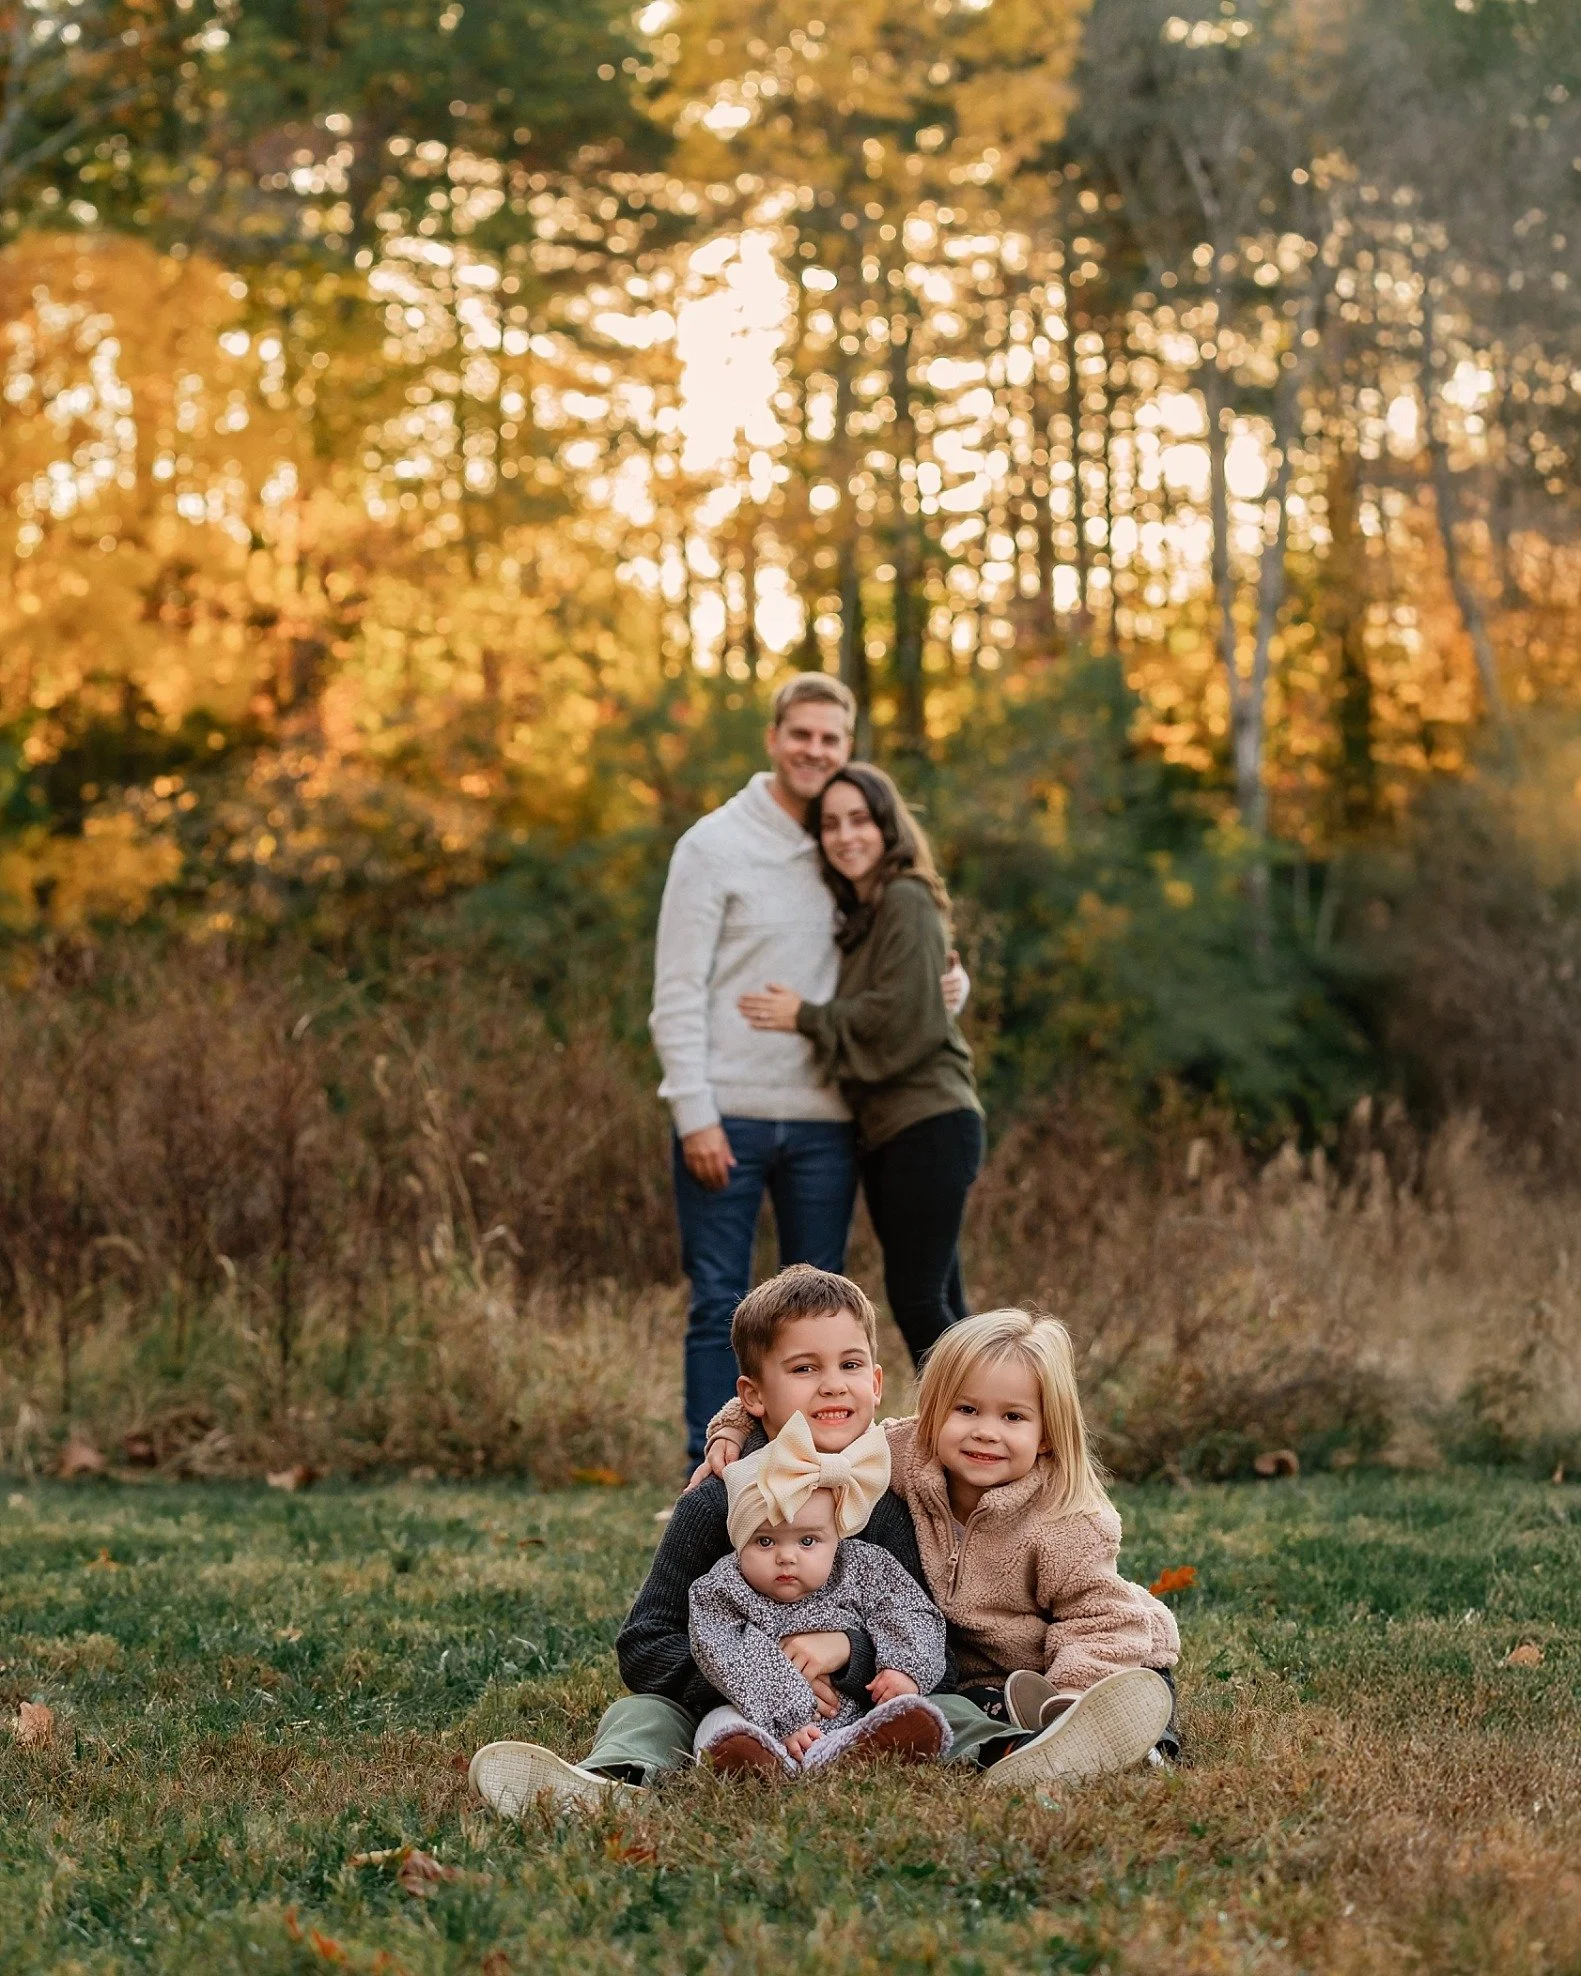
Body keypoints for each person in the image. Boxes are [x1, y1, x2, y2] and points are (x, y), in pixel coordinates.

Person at [467, 1266, 1048, 1822]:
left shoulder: (882, 1503)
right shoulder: (715, 1504)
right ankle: (609, 1781)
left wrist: (850, 1653)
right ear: (753, 1396)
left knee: (949, 1706)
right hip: (726, 1712)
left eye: (850, 1364)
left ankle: (1013, 1756)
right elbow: (645, 1644)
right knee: (639, 1713)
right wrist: (754, 1678)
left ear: (875, 1383)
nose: (831, 1385)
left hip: (860, 1707)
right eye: (803, 1369)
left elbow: (924, 1636)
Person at [649, 675, 964, 1464]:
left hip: (830, 1122)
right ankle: (708, 1477)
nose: (813, 751)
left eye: (830, 739)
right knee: (719, 1301)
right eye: (801, 734)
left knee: (820, 1318)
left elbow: (896, 969)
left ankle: (813, 1482)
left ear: (847, 747)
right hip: (729, 1115)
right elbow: (677, 990)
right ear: (773, 737)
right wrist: (694, 1111)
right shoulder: (713, 844)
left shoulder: (845, 848)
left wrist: (947, 991)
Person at [701, 1306, 1182, 1782]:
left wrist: (1071, 1700)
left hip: (1104, 1656)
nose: (985, 1432)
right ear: (932, 1413)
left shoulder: (1069, 1520)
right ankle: (1026, 1744)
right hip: (985, 1679)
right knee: (965, 1712)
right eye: (967, 1409)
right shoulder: (903, 1454)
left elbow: (1102, 1621)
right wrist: (734, 1427)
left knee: (1132, 1697)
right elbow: (812, 1425)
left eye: (1013, 1416)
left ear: (1047, 1436)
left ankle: (1142, 1746)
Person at [737, 763, 985, 1367]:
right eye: (830, 824)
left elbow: (902, 1017)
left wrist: (806, 1016)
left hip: (928, 1121)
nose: (846, 836)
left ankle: (985, 1443)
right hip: (891, 1131)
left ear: (887, 825)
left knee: (921, 1300)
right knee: (945, 1304)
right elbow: (911, 998)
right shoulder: (868, 913)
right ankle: (1000, 1445)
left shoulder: (906, 897)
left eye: (860, 820)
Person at [688, 1411, 951, 1775]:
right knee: (722, 1725)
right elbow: (722, 1652)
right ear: (738, 1542)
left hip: (851, 1711)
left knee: (902, 1714)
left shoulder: (863, 1568)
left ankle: (859, 1749)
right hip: (758, 1715)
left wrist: (904, 1668)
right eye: (764, 1541)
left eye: (808, 1541)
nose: (786, 1557)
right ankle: (753, 1759)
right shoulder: (722, 1590)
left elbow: (909, 1611)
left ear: (837, 1537)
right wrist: (785, 1712)